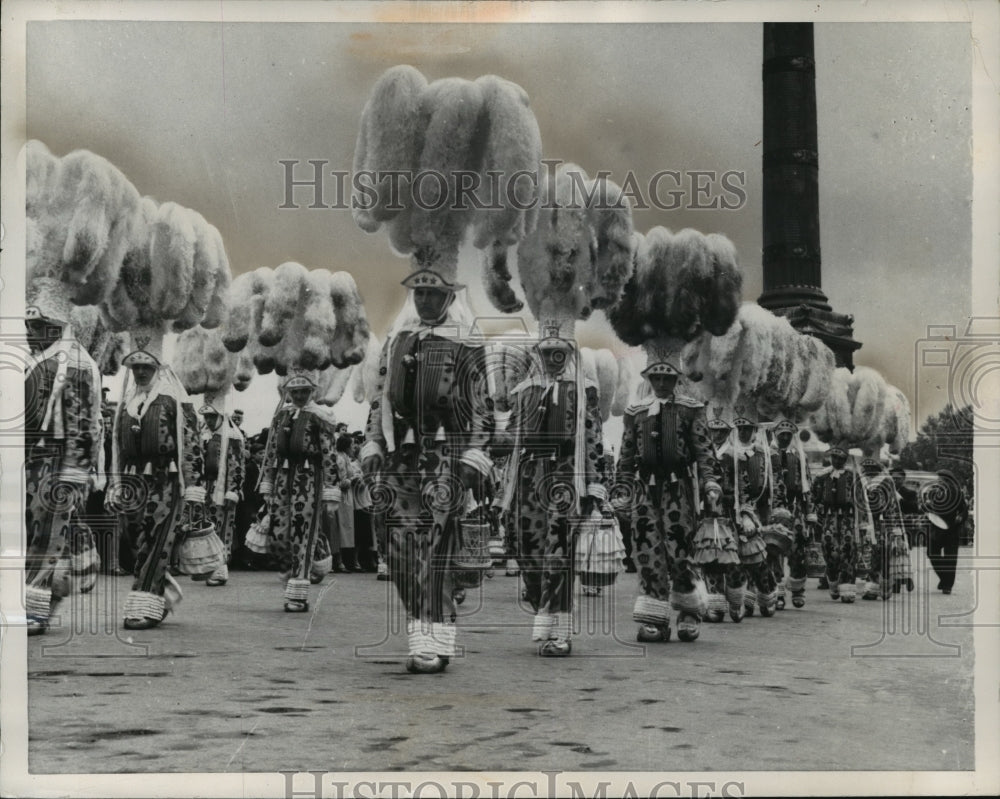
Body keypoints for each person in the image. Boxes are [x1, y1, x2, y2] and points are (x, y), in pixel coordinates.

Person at [361, 268, 493, 673]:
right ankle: (427, 622)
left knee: (435, 546)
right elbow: (379, 397)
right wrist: (373, 442)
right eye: (419, 293)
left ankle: (430, 636)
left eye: (433, 293)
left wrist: (474, 455)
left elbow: (481, 405)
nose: (424, 301)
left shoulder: (467, 342)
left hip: (445, 456)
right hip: (403, 456)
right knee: (396, 544)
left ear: (449, 297)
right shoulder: (398, 339)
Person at [494, 328, 609, 656]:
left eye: (559, 352)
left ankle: (559, 630)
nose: (552, 358)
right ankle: (542, 607)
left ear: (569, 353)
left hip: (564, 479)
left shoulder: (584, 391)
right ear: (538, 353)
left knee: (558, 554)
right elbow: (511, 438)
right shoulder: (523, 391)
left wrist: (595, 486)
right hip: (529, 478)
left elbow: (593, 438)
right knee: (526, 550)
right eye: (546, 352)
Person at [617, 361, 721, 643]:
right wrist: (621, 489)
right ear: (649, 378)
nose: (662, 382)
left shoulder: (690, 409)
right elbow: (626, 456)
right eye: (657, 377)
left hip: (679, 490)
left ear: (676, 379)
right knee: (647, 551)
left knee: (681, 551)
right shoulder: (636, 413)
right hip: (645, 491)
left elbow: (703, 450)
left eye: (667, 377)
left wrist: (710, 482)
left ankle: (688, 613)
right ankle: (655, 618)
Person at [111, 341, 203, 630]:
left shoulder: (172, 399)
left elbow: (191, 443)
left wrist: (193, 486)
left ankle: (146, 605)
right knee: (136, 540)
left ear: (156, 368)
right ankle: (162, 590)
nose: (140, 371)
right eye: (135, 367)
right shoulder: (127, 402)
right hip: (132, 481)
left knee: (156, 539)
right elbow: (116, 446)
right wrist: (114, 482)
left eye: (145, 367)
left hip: (166, 479)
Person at [23, 299, 103, 635]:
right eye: (28, 327)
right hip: (32, 464)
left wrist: (74, 473)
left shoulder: (77, 365)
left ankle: (35, 606)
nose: (29, 335)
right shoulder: (40, 362)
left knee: (47, 535)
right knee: (34, 534)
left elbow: (83, 424)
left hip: (58, 466)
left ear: (55, 326)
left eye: (37, 327)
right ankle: (40, 597)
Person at [258, 369, 339, 611]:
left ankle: (298, 592)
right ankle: (318, 553)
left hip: (309, 478)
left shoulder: (319, 416)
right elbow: (271, 451)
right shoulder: (281, 415)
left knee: (302, 531)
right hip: (283, 478)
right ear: (287, 392)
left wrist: (330, 488)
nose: (299, 395)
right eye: (295, 391)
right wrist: (268, 481)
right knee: (279, 533)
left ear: (312, 391)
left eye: (304, 391)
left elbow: (329, 453)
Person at [722, 416, 776, 617]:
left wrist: (769, 513)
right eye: (740, 429)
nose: (744, 432)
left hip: (757, 510)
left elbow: (770, 485)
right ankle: (739, 599)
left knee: (757, 559)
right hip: (733, 510)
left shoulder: (763, 454)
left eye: (748, 429)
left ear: (755, 431)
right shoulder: (728, 454)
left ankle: (766, 595)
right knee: (734, 557)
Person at [811, 445, 865, 602]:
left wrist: (862, 522)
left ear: (845, 459)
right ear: (830, 458)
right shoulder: (822, 476)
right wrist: (814, 514)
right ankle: (833, 579)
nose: (837, 461)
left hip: (848, 519)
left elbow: (861, 500)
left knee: (848, 550)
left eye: (841, 458)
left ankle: (847, 588)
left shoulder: (852, 476)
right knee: (829, 550)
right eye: (834, 457)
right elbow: (813, 498)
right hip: (828, 519)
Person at [199, 403, 245, 586]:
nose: (208, 421)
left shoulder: (232, 436)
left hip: (223, 487)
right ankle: (211, 566)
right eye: (207, 417)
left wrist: (233, 490)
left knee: (223, 527)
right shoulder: (205, 436)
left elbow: (237, 466)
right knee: (209, 528)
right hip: (207, 486)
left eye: (212, 417)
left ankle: (220, 568)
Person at [769, 419, 813, 609]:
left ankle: (797, 588)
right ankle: (777, 591)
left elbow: (807, 486)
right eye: (782, 434)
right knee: (774, 549)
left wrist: (810, 511)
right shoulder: (768, 456)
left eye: (788, 434)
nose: (785, 437)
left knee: (797, 549)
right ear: (775, 436)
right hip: (774, 509)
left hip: (795, 509)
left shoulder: (800, 458)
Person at [923, 469, 968, 595]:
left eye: (942, 479)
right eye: (939, 479)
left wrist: (960, 518)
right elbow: (927, 507)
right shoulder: (933, 492)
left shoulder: (957, 493)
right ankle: (944, 578)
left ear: (949, 480)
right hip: (935, 529)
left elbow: (963, 509)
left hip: (951, 530)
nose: (940, 481)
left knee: (950, 558)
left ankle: (947, 585)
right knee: (932, 553)